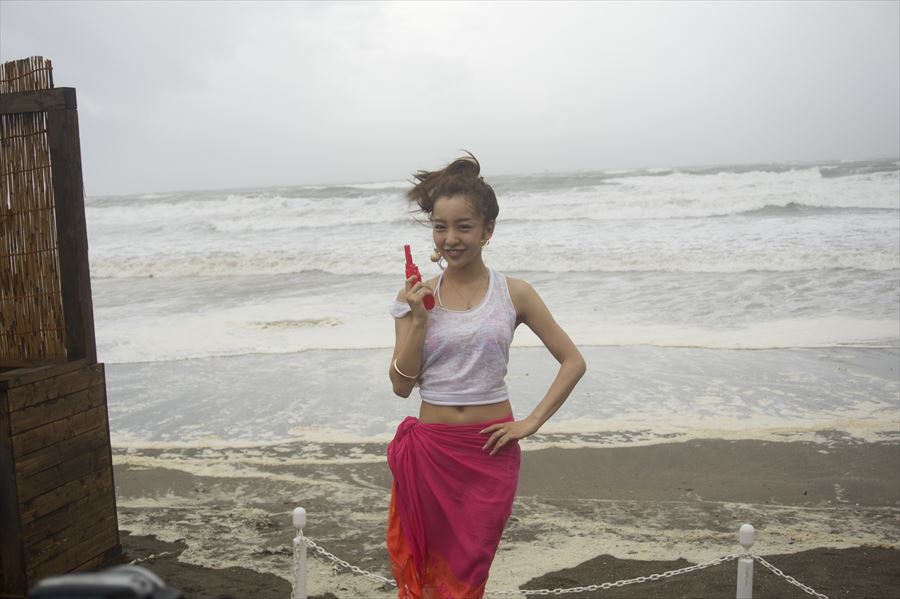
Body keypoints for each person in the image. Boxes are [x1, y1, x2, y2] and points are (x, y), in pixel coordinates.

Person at [386, 153, 586, 599]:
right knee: (427, 576)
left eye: (463, 227)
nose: (450, 239)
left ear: (487, 230)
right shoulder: (414, 296)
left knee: (468, 577)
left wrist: (530, 422)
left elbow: (573, 361)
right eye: (440, 227)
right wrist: (418, 320)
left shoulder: (515, 293)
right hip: (430, 454)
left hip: (489, 453)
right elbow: (401, 386)